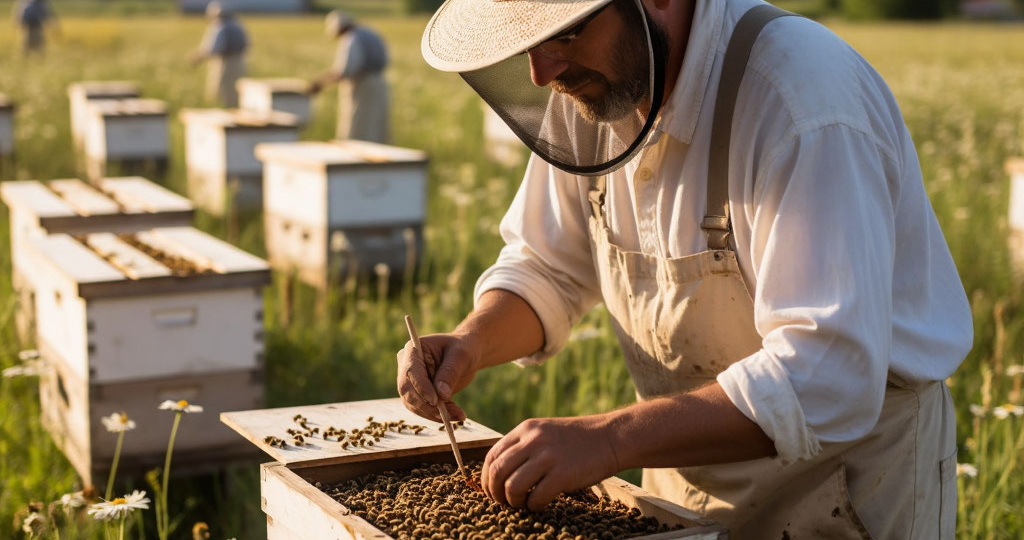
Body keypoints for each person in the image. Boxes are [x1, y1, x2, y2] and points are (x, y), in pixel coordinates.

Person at [397, 0, 974, 538]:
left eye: (566, 31)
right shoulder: (596, 91)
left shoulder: (804, 100)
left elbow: (827, 375)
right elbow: (548, 266)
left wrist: (608, 438)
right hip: (676, 480)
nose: (541, 72)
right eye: (528, 41)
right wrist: (474, 340)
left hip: (845, 489)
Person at [309, 10, 390, 144]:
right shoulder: (367, 32)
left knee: (358, 128)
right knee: (376, 127)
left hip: (363, 86)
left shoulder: (352, 38)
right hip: (378, 84)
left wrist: (320, 83)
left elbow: (345, 70)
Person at [190, 1, 248, 107]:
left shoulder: (220, 26)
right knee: (236, 94)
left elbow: (212, 48)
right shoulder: (237, 24)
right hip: (240, 62)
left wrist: (197, 58)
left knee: (222, 94)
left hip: (224, 63)